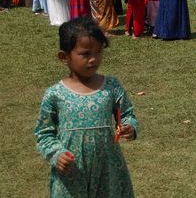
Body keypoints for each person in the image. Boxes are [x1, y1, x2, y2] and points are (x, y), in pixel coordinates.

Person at [35, 19, 138, 197]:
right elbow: (44, 133)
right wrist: (57, 154)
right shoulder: (55, 94)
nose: (94, 59)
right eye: (85, 53)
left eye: (98, 51)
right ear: (64, 57)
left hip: (109, 171)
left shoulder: (111, 87)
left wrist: (130, 127)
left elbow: (127, 114)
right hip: (72, 174)